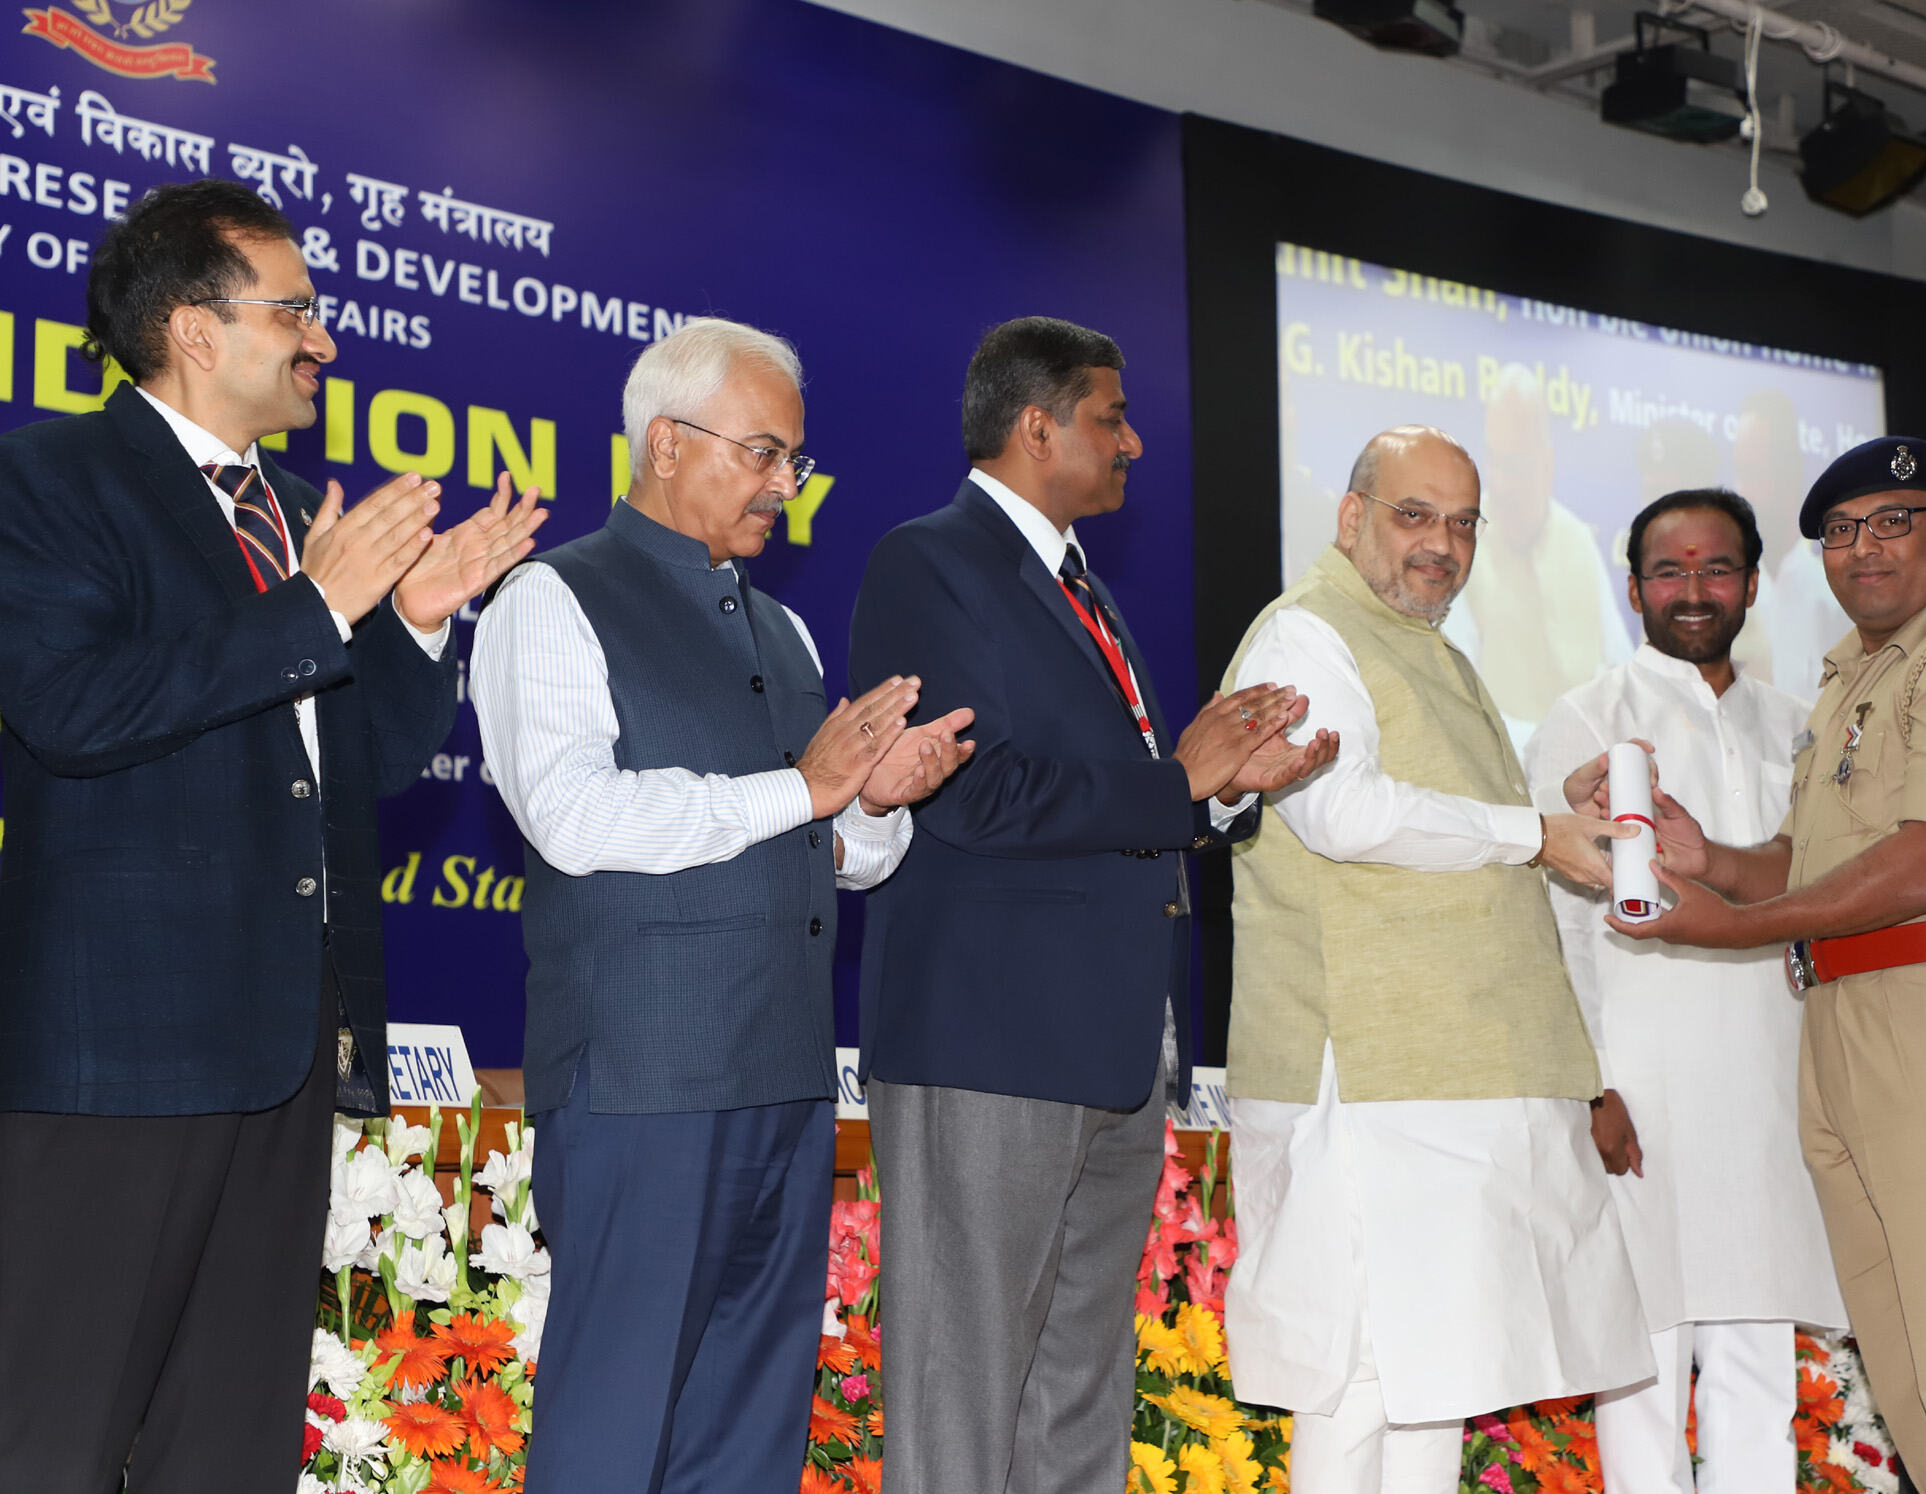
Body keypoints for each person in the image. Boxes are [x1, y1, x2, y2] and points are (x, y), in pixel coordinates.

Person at [0, 179, 543, 1492]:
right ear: (195, 331)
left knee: (227, 1447)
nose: (322, 340)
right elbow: (67, 709)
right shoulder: (46, 478)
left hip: (280, 1050)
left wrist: (416, 620)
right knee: (47, 1441)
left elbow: (362, 763)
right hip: (118, 1052)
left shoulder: (287, 510)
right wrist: (319, 608)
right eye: (296, 309)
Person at [470, 319, 972, 1494]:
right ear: (663, 442)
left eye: (793, 461)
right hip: (646, 1082)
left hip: (786, 1080)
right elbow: (576, 820)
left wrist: (874, 806)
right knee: (616, 1424)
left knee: (748, 1438)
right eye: (762, 453)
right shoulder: (550, 599)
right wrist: (802, 788)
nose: (785, 487)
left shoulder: (782, 626)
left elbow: (830, 849)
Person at [846, 315, 1336, 1494]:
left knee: (1079, 1380)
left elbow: (1130, 803)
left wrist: (1216, 797)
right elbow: (974, 794)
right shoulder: (930, 561)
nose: (1134, 444)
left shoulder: (1080, 586)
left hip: (1107, 1046)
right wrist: (1181, 778)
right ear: (1036, 427)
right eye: (1110, 418)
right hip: (989, 1042)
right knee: (961, 1382)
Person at [1613, 436, 1926, 1494]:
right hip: (1851, 1016)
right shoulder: (1856, 676)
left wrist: (1731, 926)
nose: (1860, 548)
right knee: (1911, 1374)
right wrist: (1712, 864)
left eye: (1891, 522)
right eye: (1837, 530)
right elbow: (1814, 860)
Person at [1220, 423, 1651, 1494]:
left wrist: (1545, 818)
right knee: (1363, 1370)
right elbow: (1338, 812)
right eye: (1415, 515)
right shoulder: (1305, 634)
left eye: (1462, 524)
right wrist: (1532, 834)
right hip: (1362, 1069)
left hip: (1442, 1071)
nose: (1442, 545)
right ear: (1351, 516)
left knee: (1438, 1374)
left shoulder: (1427, 648)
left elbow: (1448, 836)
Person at [1526, 488, 1847, 1493]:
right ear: (1631, 591)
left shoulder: (1800, 730)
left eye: (1716, 568)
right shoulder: (1583, 719)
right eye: (1670, 571)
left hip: (1769, 1085)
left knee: (1758, 1347)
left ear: (1753, 583)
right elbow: (1552, 923)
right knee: (1645, 1359)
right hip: (1642, 1084)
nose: (1694, 590)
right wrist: (1588, 1082)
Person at [1442, 365, 1632, 748]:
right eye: (1493, 461)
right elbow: (1457, 699)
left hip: (1588, 770)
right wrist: (1549, 744)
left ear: (1546, 465)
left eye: (1515, 465)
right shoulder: (1461, 546)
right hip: (1499, 773)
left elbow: (1622, 673)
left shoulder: (1578, 540)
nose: (1500, 483)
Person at [1730, 390, 1853, 703]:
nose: (1740, 491)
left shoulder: (1836, 599)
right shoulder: (1729, 599)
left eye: (1752, 474)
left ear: (1789, 477)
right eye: (1738, 473)